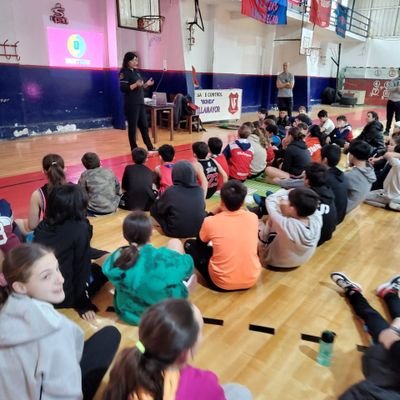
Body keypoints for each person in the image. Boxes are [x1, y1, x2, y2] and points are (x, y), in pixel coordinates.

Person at [0, 243, 121, 400]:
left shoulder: (7, 310)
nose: (61, 279)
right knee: (111, 335)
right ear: (20, 287)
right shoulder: (56, 329)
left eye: (57, 269)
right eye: (46, 276)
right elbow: (68, 394)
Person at [102, 299, 252, 400]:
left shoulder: (125, 369)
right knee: (241, 392)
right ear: (185, 352)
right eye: (199, 329)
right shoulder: (204, 382)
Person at [102, 212, 195, 325]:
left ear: (125, 235)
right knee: (175, 242)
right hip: (162, 314)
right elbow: (189, 265)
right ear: (151, 232)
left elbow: (107, 266)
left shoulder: (116, 257)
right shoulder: (163, 258)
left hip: (128, 313)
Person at [34, 184, 108, 320]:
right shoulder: (80, 228)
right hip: (66, 295)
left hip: (42, 294)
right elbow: (82, 267)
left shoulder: (42, 226)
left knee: (103, 255)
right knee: (115, 258)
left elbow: (64, 248)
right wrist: (83, 304)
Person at [330, 272, 400, 400]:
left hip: (385, 368)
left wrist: (393, 332)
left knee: (372, 317)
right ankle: (389, 292)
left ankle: (352, 291)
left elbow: (387, 338)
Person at [185, 180, 261, 291]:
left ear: (221, 201)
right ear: (243, 201)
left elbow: (200, 245)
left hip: (221, 283)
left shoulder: (210, 221)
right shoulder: (253, 218)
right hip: (251, 278)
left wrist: (211, 213)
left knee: (189, 244)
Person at [258, 187, 322, 269]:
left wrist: (287, 191)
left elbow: (270, 199)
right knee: (275, 217)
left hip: (274, 262)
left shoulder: (285, 223)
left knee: (255, 222)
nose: (285, 201)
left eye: (288, 200)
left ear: (292, 208)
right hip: (301, 261)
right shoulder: (317, 217)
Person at [150, 161, 206, 238]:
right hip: (198, 229)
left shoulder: (171, 191)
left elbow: (158, 209)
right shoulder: (199, 190)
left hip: (175, 231)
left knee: (154, 210)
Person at [16, 153, 66, 234]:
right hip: (74, 232)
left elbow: (32, 226)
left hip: (51, 234)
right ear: (64, 169)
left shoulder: (38, 194)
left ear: (44, 171)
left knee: (17, 223)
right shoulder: (77, 189)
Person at [119, 51, 156, 153]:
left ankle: (150, 147)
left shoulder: (137, 72)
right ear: (128, 61)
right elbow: (123, 88)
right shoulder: (124, 73)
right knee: (133, 127)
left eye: (137, 60)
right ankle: (134, 149)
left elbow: (140, 86)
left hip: (140, 102)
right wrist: (135, 84)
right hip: (131, 103)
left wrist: (146, 84)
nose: (136, 62)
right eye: (134, 60)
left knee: (144, 125)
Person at [304, 162, 337, 246]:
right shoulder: (329, 193)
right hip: (326, 236)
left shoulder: (308, 197)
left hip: (310, 241)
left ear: (307, 181)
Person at [345, 140, 377, 213]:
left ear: (352, 156)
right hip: (351, 207)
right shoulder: (370, 170)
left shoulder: (350, 175)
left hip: (341, 209)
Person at [364, 145, 400, 210]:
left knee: (363, 197)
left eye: (392, 144)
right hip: (391, 193)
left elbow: (388, 154)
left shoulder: (397, 163)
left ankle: (386, 205)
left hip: (389, 195)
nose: (388, 145)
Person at [321, 145, 349, 224]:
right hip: (339, 217)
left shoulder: (325, 178)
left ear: (325, 160)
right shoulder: (340, 174)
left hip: (328, 221)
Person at [385, 68, 400, 135]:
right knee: (389, 117)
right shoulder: (393, 80)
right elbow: (389, 89)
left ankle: (397, 132)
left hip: (399, 102)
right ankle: (387, 130)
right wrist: (396, 88)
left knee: (398, 118)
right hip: (391, 101)